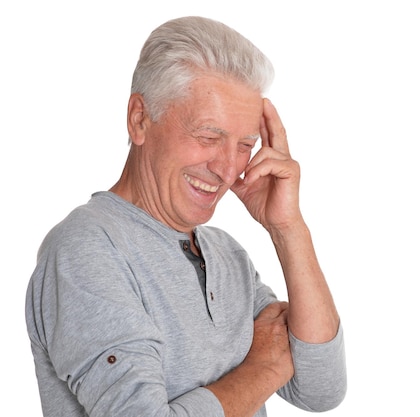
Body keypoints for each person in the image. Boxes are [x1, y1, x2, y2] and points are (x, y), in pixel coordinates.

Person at [25, 16, 347, 417]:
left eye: (245, 144)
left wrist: (287, 228)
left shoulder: (226, 254)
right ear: (140, 119)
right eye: (208, 137)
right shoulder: (86, 249)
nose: (229, 169)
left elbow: (321, 388)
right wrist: (265, 367)